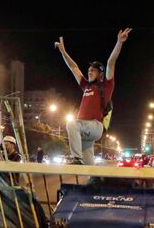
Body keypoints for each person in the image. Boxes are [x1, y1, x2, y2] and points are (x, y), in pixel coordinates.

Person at [55, 28, 131, 165]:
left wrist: (119, 42)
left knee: (71, 124)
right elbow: (73, 67)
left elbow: (111, 62)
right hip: (85, 130)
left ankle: (76, 158)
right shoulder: (86, 85)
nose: (89, 73)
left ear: (100, 73)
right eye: (89, 70)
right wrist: (63, 52)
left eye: (93, 71)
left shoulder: (106, 85)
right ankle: (93, 180)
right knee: (89, 166)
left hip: (95, 126)